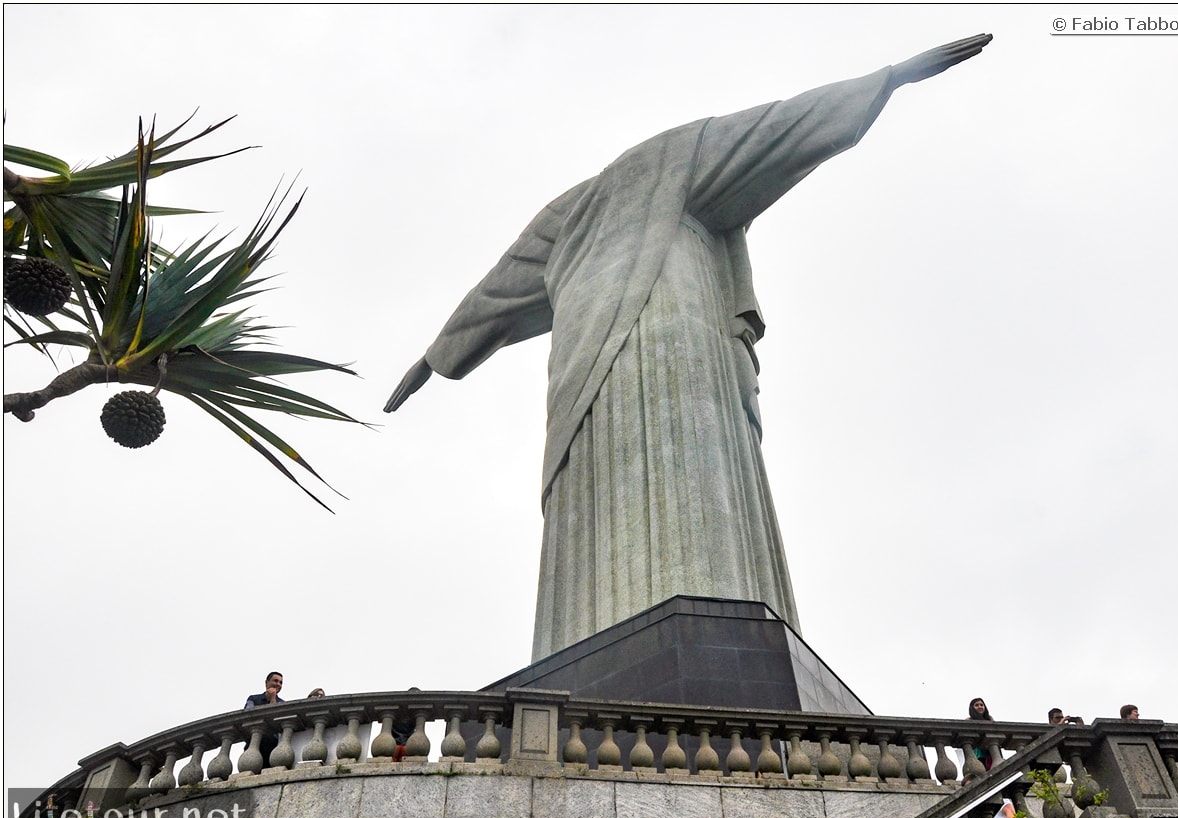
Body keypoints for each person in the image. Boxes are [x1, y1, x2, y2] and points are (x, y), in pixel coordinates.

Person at [385, 34, 994, 662]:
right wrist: (886, 80)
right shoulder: (671, 160)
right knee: (667, 475)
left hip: (634, 347)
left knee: (678, 475)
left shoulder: (580, 204)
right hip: (651, 341)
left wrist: (435, 357)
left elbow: (498, 288)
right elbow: (776, 131)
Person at [243, 671, 285, 767]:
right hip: (254, 743)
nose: (278, 684)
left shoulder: (282, 703)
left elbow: (277, 720)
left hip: (273, 746)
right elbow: (248, 715)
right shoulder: (253, 699)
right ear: (266, 682)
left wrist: (273, 699)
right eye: (275, 681)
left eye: (280, 682)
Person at [969, 697, 994, 770]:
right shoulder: (970, 721)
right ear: (972, 708)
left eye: (981, 705)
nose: (980, 707)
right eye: (976, 705)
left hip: (990, 750)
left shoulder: (990, 719)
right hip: (978, 752)